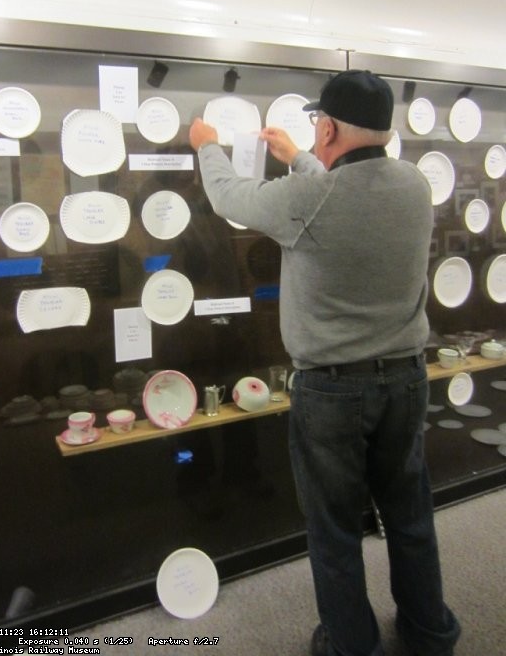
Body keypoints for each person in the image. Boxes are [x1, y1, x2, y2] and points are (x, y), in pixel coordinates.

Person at [189, 70, 460, 656]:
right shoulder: (415, 185)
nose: (314, 134)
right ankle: (430, 634)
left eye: (317, 125)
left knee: (334, 531)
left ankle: (350, 645)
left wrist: (206, 144)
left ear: (330, 127)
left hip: (333, 392)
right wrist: (299, 159)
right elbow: (344, 194)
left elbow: (230, 197)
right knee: (409, 517)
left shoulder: (309, 198)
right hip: (407, 380)